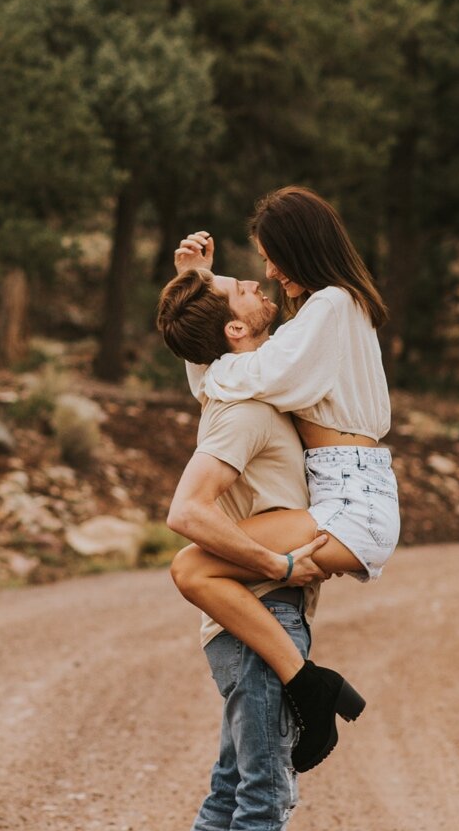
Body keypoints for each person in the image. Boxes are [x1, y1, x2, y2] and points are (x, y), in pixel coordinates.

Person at [144, 268, 348, 831]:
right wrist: (275, 566)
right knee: (267, 791)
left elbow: (208, 358)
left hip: (253, 620)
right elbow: (187, 509)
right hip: (258, 615)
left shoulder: (240, 390)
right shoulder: (244, 413)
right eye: (241, 290)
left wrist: (190, 283)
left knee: (235, 784)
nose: (260, 284)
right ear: (236, 331)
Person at [167, 187, 399, 770]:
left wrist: (212, 300)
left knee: (193, 566)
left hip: (352, 498)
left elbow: (254, 372)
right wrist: (200, 288)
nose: (268, 272)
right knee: (196, 564)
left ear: (302, 249)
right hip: (345, 491)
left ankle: (308, 685)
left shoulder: (333, 307)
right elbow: (230, 375)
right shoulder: (325, 315)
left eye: (274, 257)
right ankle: (312, 686)